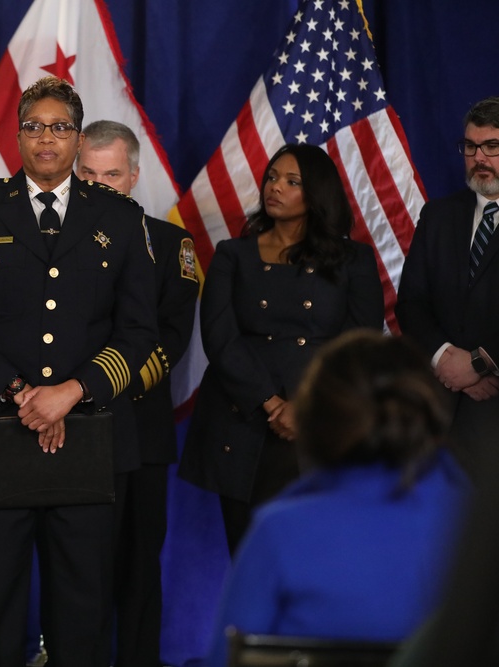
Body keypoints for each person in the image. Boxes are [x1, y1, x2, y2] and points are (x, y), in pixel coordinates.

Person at [0, 76, 157, 667]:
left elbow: (138, 334)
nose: (45, 139)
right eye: (33, 127)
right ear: (18, 134)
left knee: (82, 609)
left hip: (89, 436)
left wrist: (70, 393)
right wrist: (24, 394)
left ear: (78, 139)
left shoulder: (121, 219)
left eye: (59, 128)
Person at [203, 330, 471, 667]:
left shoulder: (281, 531)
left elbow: (224, 660)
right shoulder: (478, 524)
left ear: (320, 421)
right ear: (427, 411)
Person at [178, 143, 384, 554]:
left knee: (316, 561)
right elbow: (220, 339)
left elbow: (360, 344)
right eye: (272, 177)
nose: (275, 187)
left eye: (292, 182)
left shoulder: (353, 260)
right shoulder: (232, 255)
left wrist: (303, 407)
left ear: (318, 194)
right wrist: (272, 404)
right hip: (245, 420)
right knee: (251, 559)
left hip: (319, 424)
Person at [76, 120, 199, 667]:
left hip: (137, 427)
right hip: (69, 431)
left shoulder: (171, 245)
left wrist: (92, 388)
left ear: (133, 176)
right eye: (89, 173)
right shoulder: (48, 241)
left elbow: (169, 340)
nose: (100, 186)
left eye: (112, 174)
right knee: (76, 562)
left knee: (138, 561)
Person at [395, 96, 499, 477]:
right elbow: (412, 303)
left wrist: (478, 364)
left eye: (492, 146)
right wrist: (444, 359)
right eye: (471, 146)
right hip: (438, 413)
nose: (479, 158)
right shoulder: (438, 214)